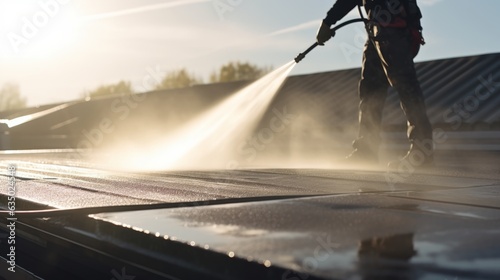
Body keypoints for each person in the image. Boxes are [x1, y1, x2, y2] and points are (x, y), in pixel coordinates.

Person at [317, 0, 434, 169]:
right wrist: (328, 21)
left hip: (394, 29)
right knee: (370, 93)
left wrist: (328, 22)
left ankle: (421, 155)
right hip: (378, 31)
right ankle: (366, 153)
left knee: (406, 87)